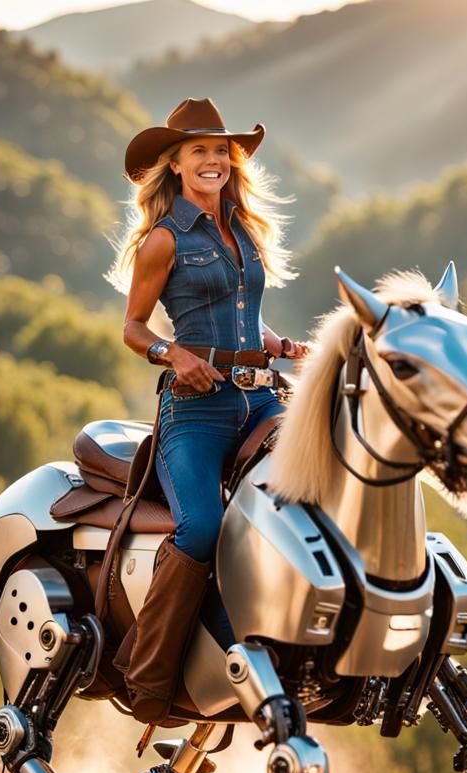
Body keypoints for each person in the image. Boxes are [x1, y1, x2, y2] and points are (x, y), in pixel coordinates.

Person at [106, 97, 307, 725]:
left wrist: (274, 343)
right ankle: (149, 675)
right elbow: (134, 328)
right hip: (195, 414)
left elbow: (244, 310)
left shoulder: (243, 231)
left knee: (309, 499)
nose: (214, 161)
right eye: (200, 151)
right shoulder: (163, 241)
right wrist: (174, 355)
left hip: (259, 401)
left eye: (221, 151)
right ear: (175, 164)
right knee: (201, 529)